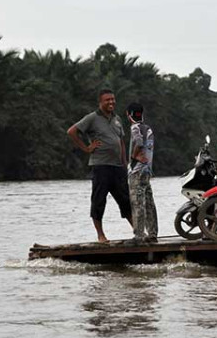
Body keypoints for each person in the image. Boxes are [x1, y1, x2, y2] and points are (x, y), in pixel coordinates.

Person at [67, 88, 132, 243]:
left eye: (113, 99)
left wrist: (125, 163)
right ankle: (101, 235)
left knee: (126, 200)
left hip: (118, 167)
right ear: (100, 102)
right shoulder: (92, 118)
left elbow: (121, 141)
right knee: (98, 200)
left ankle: (137, 231)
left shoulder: (117, 119)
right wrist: (87, 148)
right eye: (107, 100)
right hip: (101, 166)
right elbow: (71, 132)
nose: (111, 102)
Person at [126, 103, 158, 243]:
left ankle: (138, 236)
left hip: (137, 171)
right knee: (149, 202)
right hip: (147, 170)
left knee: (137, 202)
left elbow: (138, 142)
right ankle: (152, 234)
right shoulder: (148, 128)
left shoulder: (135, 127)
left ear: (129, 114)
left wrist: (134, 156)